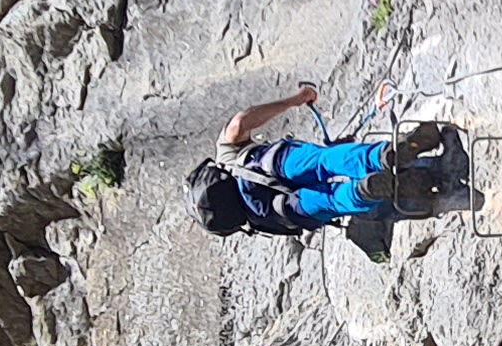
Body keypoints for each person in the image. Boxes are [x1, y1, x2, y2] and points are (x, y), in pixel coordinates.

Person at [189, 83, 462, 239]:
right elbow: (240, 123)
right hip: (268, 162)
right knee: (325, 161)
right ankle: (381, 155)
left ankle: (363, 190)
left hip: (275, 210)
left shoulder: (237, 218)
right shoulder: (225, 157)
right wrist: (295, 99)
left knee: (332, 201)